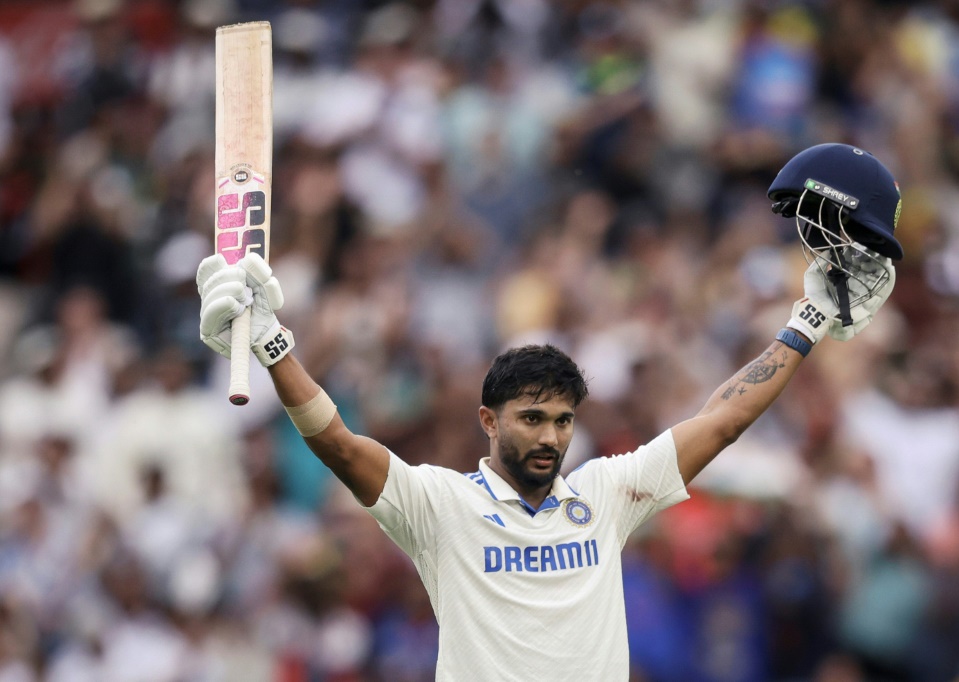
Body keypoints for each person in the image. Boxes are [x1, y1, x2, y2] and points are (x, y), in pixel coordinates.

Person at [196, 143, 903, 680]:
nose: (551, 437)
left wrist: (805, 323)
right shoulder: (440, 505)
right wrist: (272, 345)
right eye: (532, 418)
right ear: (488, 421)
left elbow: (720, 420)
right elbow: (341, 447)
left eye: (562, 421)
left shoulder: (603, 494)